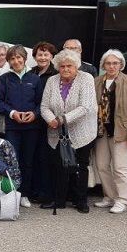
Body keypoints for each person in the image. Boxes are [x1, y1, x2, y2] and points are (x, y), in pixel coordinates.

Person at [40, 49, 97, 213]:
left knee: (80, 165)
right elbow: (44, 106)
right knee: (59, 166)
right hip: (56, 132)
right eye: (62, 66)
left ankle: (81, 201)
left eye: (69, 66)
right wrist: (50, 119)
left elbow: (85, 107)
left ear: (76, 66)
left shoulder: (86, 79)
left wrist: (61, 119)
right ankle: (59, 200)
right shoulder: (52, 80)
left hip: (82, 131)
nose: (65, 69)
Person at [93, 49, 127, 214]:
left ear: (121, 65)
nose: (112, 66)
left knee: (120, 168)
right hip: (101, 131)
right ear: (103, 65)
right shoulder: (97, 81)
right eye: (108, 63)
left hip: (121, 132)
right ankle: (109, 197)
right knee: (101, 166)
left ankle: (122, 200)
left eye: (115, 63)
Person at [0, 44, 42, 208]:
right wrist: (12, 113)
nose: (16, 61)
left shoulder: (35, 79)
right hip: (12, 127)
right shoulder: (4, 79)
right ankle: (12, 191)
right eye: (12, 58)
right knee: (12, 161)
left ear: (24, 58)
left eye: (18, 57)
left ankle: (25, 194)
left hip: (31, 127)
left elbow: (41, 103)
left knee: (28, 161)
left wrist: (34, 114)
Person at [29, 41, 58, 203]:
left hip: (50, 122)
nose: (42, 57)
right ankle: (35, 191)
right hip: (33, 122)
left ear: (52, 56)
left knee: (46, 158)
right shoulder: (31, 73)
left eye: (46, 54)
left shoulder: (55, 74)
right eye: (39, 54)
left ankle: (47, 193)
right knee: (35, 157)